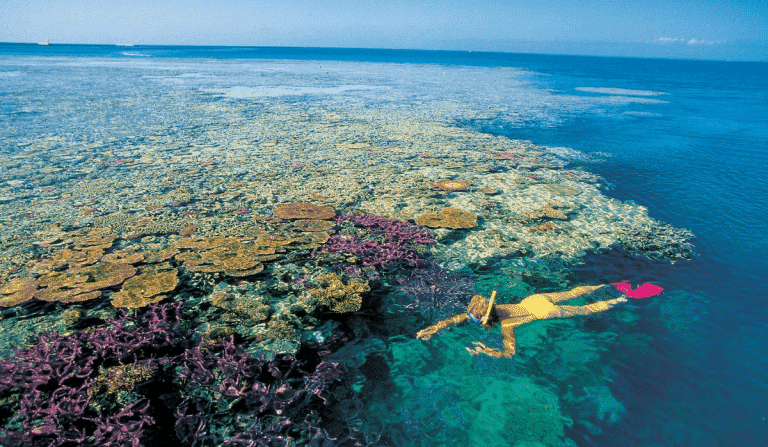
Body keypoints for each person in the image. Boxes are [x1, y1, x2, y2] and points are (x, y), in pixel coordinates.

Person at [416, 285, 627, 358]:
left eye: (473, 319)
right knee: (571, 292)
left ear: (484, 319)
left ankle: (621, 299)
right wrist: (432, 329)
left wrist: (486, 351)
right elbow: (455, 319)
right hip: (533, 299)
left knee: (585, 309)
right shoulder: (494, 310)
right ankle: (604, 285)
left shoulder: (507, 325)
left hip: (544, 311)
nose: (468, 318)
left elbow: (510, 352)